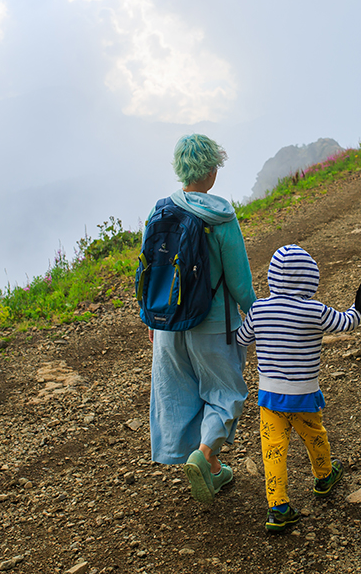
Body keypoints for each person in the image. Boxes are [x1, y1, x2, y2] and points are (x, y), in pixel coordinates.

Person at [235, 244, 361, 532]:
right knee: (315, 437)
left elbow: (241, 339)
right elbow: (348, 321)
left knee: (273, 450)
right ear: (309, 279)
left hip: (269, 398)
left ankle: (278, 508)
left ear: (272, 277)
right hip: (303, 396)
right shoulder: (314, 311)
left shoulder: (259, 309)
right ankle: (324, 477)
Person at [144, 134, 256, 505]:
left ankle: (210, 469)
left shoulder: (161, 211)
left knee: (179, 392)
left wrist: (152, 319)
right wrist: (256, 313)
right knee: (225, 392)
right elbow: (239, 280)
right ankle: (205, 455)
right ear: (211, 170)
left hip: (167, 322)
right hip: (211, 323)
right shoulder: (221, 216)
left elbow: (153, 272)